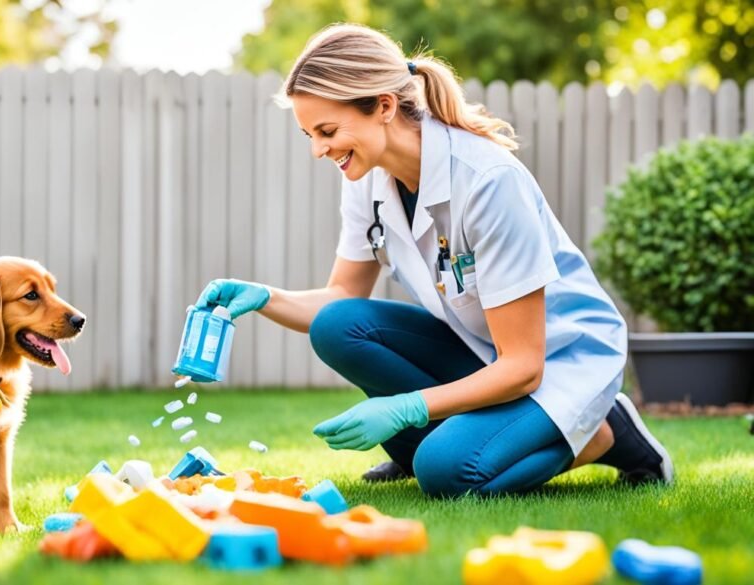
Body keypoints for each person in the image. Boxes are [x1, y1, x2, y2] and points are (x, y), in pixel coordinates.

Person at [195, 24, 673, 497]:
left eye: (326, 131)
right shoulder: (366, 177)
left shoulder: (487, 181)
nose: (318, 150)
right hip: (484, 351)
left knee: (446, 472)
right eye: (309, 134)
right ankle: (427, 448)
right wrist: (263, 297)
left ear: (383, 106)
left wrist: (405, 408)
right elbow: (342, 296)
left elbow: (525, 366)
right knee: (337, 325)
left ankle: (601, 434)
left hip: (558, 363)